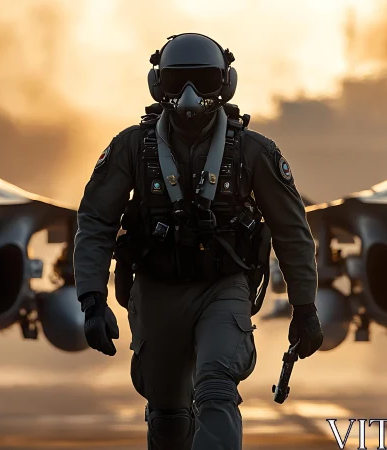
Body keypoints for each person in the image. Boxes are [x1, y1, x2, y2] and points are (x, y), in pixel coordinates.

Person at [73, 33, 323, 450]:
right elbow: (96, 221)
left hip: (223, 287)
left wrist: (305, 306)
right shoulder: (131, 148)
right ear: (159, 85)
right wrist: (92, 300)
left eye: (203, 80)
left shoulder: (254, 152)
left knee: (216, 387)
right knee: (168, 416)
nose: (189, 96)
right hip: (156, 288)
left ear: (225, 83)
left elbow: (292, 230)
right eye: (177, 82)